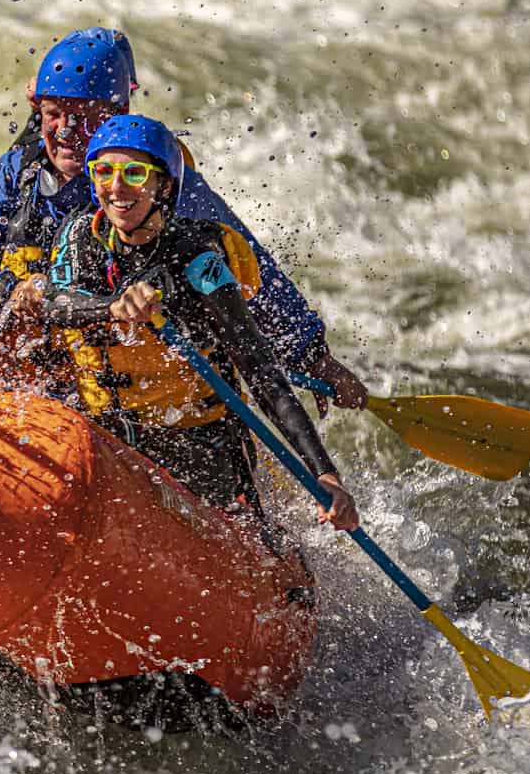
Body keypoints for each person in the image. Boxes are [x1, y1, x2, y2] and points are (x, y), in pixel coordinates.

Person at [0, 27, 368, 408]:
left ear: (118, 117)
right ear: (35, 107)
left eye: (83, 118)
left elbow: (248, 271)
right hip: (51, 384)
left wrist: (311, 355)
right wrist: (8, 293)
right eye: (53, 114)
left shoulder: (159, 182)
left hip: (152, 397)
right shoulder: (14, 177)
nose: (64, 131)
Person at [40, 114, 361, 533]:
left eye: (134, 173)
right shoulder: (81, 235)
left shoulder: (200, 260)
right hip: (107, 431)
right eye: (104, 172)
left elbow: (261, 372)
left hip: (197, 441)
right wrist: (111, 305)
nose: (116, 187)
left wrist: (324, 473)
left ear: (165, 186)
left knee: (243, 533)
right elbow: (54, 302)